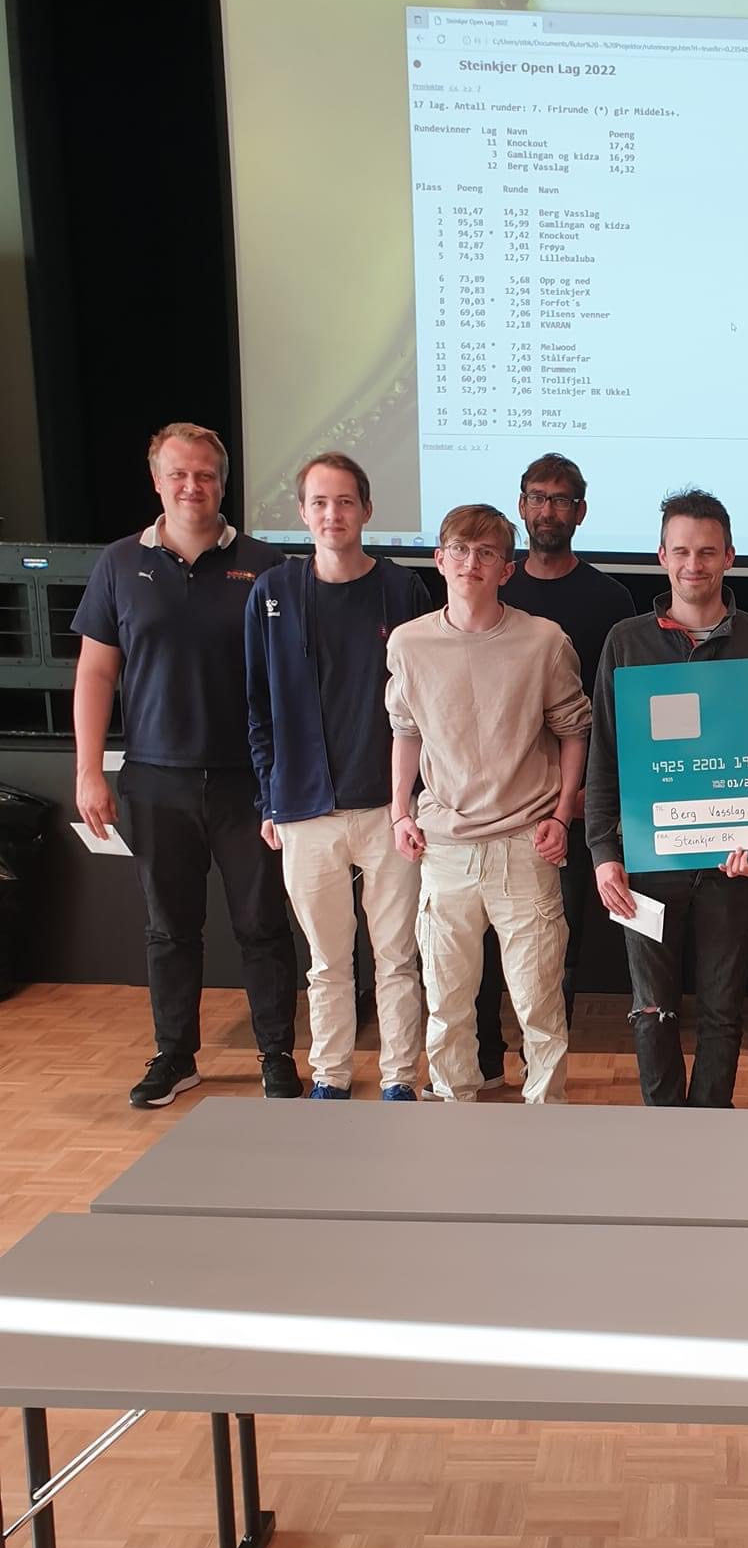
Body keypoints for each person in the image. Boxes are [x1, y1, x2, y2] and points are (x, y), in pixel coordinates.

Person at [72, 422, 300, 1108]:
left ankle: (276, 1054)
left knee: (262, 925)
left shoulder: (267, 566)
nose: (192, 486)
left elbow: (292, 678)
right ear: (156, 481)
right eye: (179, 474)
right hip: (155, 777)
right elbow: (95, 673)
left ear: (223, 482)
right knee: (168, 929)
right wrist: (88, 771)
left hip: (249, 781)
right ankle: (176, 1056)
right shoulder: (119, 563)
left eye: (205, 474)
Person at [588, 489, 748, 1108]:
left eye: (706, 551)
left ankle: (710, 1127)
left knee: (724, 1011)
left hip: (734, 865)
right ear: (661, 556)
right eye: (680, 551)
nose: (693, 564)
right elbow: (605, 756)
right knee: (651, 1010)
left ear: (730, 556)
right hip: (648, 863)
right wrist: (604, 853)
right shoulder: (626, 641)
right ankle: (664, 1129)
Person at [247, 451, 437, 1101]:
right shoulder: (272, 593)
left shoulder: (402, 591)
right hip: (304, 809)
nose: (333, 514)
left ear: (367, 510)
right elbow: (258, 705)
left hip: (390, 810)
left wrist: (413, 800)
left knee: (398, 957)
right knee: (327, 962)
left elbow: (425, 704)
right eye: (320, 503)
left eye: (346, 502)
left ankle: (399, 1078)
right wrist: (269, 799)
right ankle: (330, 1074)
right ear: (303, 513)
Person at [385, 504, 590, 1104]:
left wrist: (563, 812)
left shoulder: (544, 641)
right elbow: (405, 731)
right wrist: (400, 811)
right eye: (460, 549)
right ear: (439, 559)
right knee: (447, 1004)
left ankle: (546, 1112)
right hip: (444, 848)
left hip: (524, 845)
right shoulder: (409, 643)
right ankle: (454, 1110)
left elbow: (574, 730)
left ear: (507, 569)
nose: (470, 562)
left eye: (487, 553)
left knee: (540, 1004)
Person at [474, 453, 636, 1082]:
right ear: (521, 506)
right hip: (490, 797)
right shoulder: (494, 586)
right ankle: (486, 1059)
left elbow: (612, 709)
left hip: (568, 799)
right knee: (482, 940)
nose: (547, 510)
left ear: (581, 512)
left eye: (561, 499)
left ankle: (542, 1068)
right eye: (537, 497)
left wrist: (584, 797)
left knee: (555, 943)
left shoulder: (609, 598)